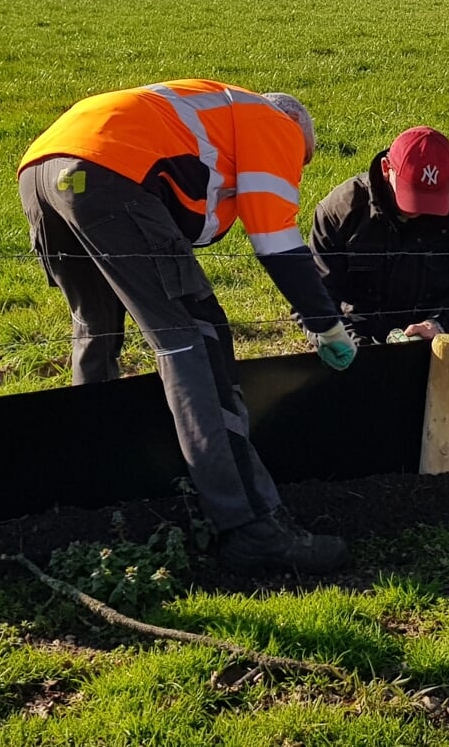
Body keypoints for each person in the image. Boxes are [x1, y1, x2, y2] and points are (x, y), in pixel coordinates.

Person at [18, 80, 357, 573]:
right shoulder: (274, 125)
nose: (293, 173)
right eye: (299, 163)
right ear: (296, 134)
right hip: (108, 171)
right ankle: (250, 527)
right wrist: (326, 325)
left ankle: (95, 498)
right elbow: (276, 240)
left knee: (97, 328)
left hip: (44, 167)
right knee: (194, 341)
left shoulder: (215, 114)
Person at [310, 126, 449, 343]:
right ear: (386, 169)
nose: (419, 209)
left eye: (432, 196)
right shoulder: (340, 211)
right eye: (412, 193)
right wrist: (354, 347)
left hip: (442, 330)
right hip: (362, 334)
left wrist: (440, 323)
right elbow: (314, 300)